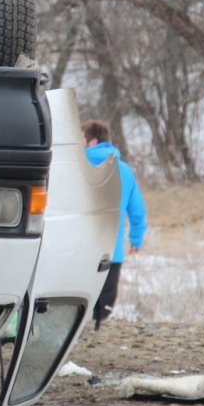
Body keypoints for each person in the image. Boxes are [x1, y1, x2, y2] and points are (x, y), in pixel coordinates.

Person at [81, 119, 147, 329]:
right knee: (102, 310)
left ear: (92, 141)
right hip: (112, 252)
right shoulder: (125, 171)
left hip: (77, 250)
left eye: (82, 139)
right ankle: (97, 331)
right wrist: (136, 240)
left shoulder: (77, 167)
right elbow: (137, 212)